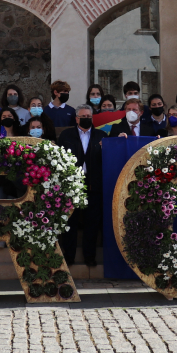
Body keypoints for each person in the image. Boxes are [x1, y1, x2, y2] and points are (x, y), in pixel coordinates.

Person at [57, 105, 106, 267]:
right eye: (83, 116)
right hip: (72, 186)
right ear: (76, 118)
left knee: (91, 224)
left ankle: (89, 257)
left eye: (89, 116)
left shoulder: (101, 135)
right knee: (70, 223)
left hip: (93, 185)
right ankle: (69, 256)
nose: (86, 118)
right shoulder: (66, 135)